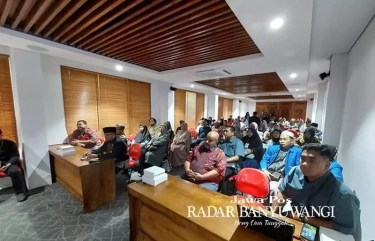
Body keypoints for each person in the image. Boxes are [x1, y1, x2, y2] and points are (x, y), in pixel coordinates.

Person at [273, 144, 361, 241]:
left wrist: (303, 218)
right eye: (302, 159)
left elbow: (344, 227)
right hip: (292, 223)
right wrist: (271, 214)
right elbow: (283, 193)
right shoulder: (295, 172)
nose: (304, 164)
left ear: (327, 165)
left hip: (321, 233)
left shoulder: (342, 194)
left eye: (312, 160)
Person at [260, 130, 302, 202]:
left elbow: (298, 167)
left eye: (285, 139)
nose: (282, 141)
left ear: (292, 141)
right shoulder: (272, 148)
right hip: (266, 171)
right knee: (253, 182)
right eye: (280, 139)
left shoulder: (297, 151)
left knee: (272, 187)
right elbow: (264, 160)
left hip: (283, 176)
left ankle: (269, 209)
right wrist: (264, 170)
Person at [0, 129, 27, 202]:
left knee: (14, 171)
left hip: (8, 163)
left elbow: (15, 156)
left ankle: (20, 192)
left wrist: (7, 165)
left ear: (1, 135)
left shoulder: (10, 143)